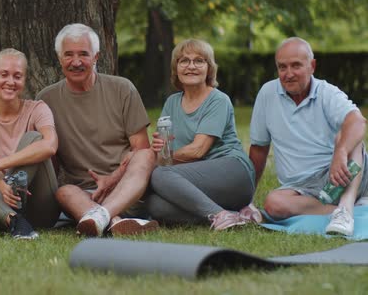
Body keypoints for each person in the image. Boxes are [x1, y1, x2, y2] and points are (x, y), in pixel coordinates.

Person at [37, 23, 158, 237]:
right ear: (59, 58)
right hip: (84, 197)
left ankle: (104, 217)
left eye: (84, 54)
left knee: (147, 156)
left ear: (96, 57)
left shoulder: (122, 89)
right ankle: (115, 221)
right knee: (64, 192)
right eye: (68, 55)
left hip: (127, 190)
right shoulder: (46, 99)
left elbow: (141, 149)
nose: (76, 62)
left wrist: (114, 177)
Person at [249, 37, 368, 236]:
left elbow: (358, 122)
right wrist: (246, 199)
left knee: (350, 133)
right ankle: (346, 212)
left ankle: (347, 206)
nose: (288, 74)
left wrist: (340, 152)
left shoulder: (327, 93)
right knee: (272, 204)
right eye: (282, 67)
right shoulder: (267, 94)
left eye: (296, 66)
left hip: (340, 175)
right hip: (302, 190)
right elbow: (259, 150)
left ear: (312, 66)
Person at [145, 39, 257, 231]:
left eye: (199, 61)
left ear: (209, 68)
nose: (191, 66)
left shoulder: (218, 100)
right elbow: (165, 150)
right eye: (184, 61)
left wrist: (159, 159)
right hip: (199, 178)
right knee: (156, 205)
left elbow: (197, 151)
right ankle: (233, 214)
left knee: (160, 174)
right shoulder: (172, 102)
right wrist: (158, 152)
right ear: (176, 68)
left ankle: (220, 215)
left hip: (233, 172)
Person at [0, 48, 60, 240]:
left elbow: (50, 146)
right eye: (4, 74)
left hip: (39, 208)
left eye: (17, 76)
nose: (10, 82)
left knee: (34, 139)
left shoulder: (38, 109)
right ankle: (13, 220)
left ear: (24, 80)